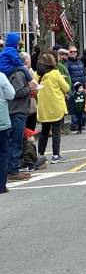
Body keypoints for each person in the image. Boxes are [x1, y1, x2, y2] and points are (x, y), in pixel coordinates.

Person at [0, 32, 32, 181]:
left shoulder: (7, 70)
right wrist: (30, 88)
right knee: (14, 142)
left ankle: (12, 168)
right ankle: (13, 171)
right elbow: (16, 93)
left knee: (11, 142)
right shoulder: (18, 72)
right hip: (16, 111)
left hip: (12, 111)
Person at [36, 53, 70, 163]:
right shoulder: (55, 73)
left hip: (43, 108)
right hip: (56, 107)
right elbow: (66, 88)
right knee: (56, 132)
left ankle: (40, 155)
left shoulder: (37, 75)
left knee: (44, 132)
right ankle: (55, 155)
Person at [0, 71, 15, 192]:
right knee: (3, 153)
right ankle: (1, 186)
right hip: (2, 120)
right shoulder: (1, 77)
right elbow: (11, 94)